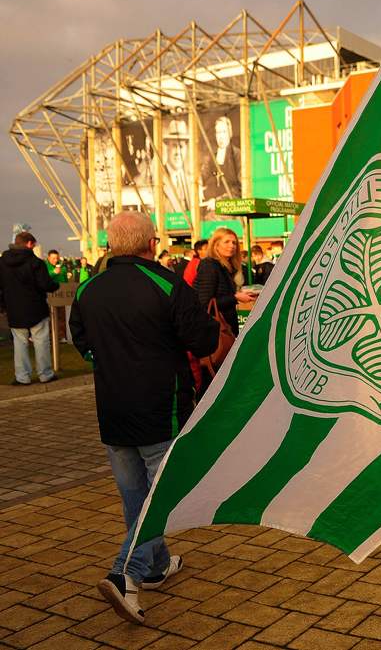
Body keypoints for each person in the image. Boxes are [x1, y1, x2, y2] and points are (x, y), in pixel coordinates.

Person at [70, 211, 219, 624]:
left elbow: (80, 341)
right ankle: (125, 573)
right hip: (160, 408)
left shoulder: (88, 288)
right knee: (161, 495)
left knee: (135, 496)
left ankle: (154, 567)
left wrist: (110, 360)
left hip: (113, 410)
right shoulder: (166, 283)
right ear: (151, 243)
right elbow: (203, 338)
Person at [0, 232, 59, 385]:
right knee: (41, 342)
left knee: (20, 344)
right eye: (33, 244)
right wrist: (55, 285)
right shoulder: (35, 263)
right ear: (28, 243)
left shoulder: (3, 262)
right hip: (36, 308)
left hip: (14, 309)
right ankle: (45, 374)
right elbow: (45, 284)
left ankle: (22, 376)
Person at [194, 227, 255, 337]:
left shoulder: (227, 267)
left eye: (234, 243)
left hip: (227, 327)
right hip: (215, 331)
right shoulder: (209, 265)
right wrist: (235, 297)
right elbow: (204, 303)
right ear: (216, 245)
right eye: (226, 242)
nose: (231, 246)